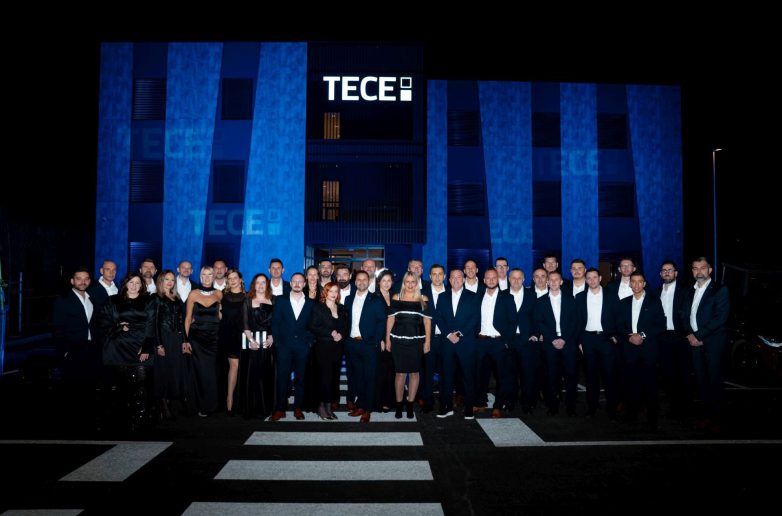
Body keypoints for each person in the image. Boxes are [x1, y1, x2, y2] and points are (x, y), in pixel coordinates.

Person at [96, 272, 154, 431]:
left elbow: (152, 323)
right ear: (125, 283)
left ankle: (140, 421)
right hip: (118, 348)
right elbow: (103, 322)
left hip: (141, 346)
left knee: (141, 384)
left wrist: (147, 346)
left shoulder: (149, 300)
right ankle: (123, 420)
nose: (134, 286)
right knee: (122, 386)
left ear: (142, 285)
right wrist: (118, 327)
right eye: (131, 282)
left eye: (137, 283)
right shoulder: (113, 300)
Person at [680, 257, 729, 430]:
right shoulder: (689, 291)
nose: (699, 271)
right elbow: (683, 315)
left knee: (714, 380)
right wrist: (689, 334)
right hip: (694, 342)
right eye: (695, 268)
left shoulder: (720, 290)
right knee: (701, 380)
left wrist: (699, 335)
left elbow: (720, 318)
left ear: (710, 270)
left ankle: (717, 419)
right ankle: (706, 415)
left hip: (712, 343)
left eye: (702, 267)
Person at [617, 271, 666, 429]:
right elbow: (619, 326)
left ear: (644, 284)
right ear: (630, 284)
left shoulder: (654, 301)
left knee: (650, 386)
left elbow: (660, 324)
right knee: (631, 385)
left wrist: (642, 335)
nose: (636, 284)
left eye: (640, 281)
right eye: (633, 281)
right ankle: (631, 416)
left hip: (648, 350)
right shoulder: (623, 303)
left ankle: (652, 420)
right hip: (629, 350)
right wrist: (629, 337)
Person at [433, 269, 479, 419]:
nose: (456, 279)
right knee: (446, 377)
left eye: (459, 277)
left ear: (463, 279)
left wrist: (459, 334)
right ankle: (445, 407)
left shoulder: (473, 296)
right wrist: (448, 334)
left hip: (466, 343)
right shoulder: (442, 296)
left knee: (468, 377)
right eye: (453, 277)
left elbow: (475, 318)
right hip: (447, 343)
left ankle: (469, 409)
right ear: (449, 280)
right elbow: (438, 317)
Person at [575, 268, 620, 419]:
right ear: (586, 280)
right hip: (588, 340)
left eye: (595, 277)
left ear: (600, 278)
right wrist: (579, 341)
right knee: (591, 376)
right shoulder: (580, 297)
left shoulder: (611, 295)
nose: (592, 280)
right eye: (589, 278)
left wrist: (615, 336)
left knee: (610, 376)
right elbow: (577, 321)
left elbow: (618, 317)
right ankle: (592, 407)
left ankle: (612, 409)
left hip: (606, 339)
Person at [534, 270, 581, 416]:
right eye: (551, 280)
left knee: (571, 376)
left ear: (561, 282)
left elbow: (575, 322)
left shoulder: (570, 300)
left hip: (568, 342)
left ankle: (570, 406)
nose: (554, 282)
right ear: (547, 282)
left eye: (557, 280)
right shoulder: (540, 301)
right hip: (550, 343)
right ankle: (552, 406)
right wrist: (553, 339)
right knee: (551, 376)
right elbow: (540, 322)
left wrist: (564, 339)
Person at [386, 271, 432, 419]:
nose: (410, 285)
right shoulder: (396, 297)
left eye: (413, 282)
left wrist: (427, 342)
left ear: (417, 283)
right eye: (408, 282)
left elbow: (427, 322)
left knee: (414, 373)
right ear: (403, 283)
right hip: (398, 341)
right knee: (400, 374)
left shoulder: (423, 299)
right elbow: (390, 319)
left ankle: (410, 405)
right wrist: (387, 339)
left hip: (416, 342)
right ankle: (399, 405)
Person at [52, 267, 96, 417]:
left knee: (88, 386)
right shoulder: (63, 301)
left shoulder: (91, 299)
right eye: (79, 278)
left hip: (90, 349)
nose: (83, 282)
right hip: (72, 350)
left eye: (86, 278)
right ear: (72, 281)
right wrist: (64, 351)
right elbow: (57, 329)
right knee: (72, 388)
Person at [344, 270, 386, 422]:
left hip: (368, 344)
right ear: (355, 282)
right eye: (359, 280)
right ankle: (360, 406)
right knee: (358, 377)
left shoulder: (376, 299)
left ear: (369, 282)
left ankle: (368, 409)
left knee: (369, 377)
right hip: (352, 344)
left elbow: (382, 321)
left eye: (364, 280)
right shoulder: (348, 299)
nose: (361, 282)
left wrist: (375, 340)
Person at [271, 273, 314, 421]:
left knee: (300, 379)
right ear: (290, 283)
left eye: (300, 281)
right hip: (284, 347)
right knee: (282, 378)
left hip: (302, 347)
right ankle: (280, 408)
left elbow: (313, 325)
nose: (297, 284)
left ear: (304, 284)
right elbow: (275, 323)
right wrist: (278, 343)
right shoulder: (281, 300)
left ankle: (298, 408)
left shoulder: (310, 303)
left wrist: (309, 343)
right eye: (294, 281)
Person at [652, 260, 691, 419]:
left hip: (681, 337)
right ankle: (673, 408)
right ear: (660, 274)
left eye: (670, 270)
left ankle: (685, 409)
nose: (667, 272)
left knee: (684, 375)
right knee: (668, 374)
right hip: (662, 338)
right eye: (664, 270)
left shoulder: (685, 291)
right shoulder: (655, 292)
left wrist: (689, 333)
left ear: (676, 273)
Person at [184, 266, 223, 417]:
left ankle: (211, 405)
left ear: (213, 277)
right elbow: (188, 319)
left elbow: (221, 315)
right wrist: (186, 340)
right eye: (204, 275)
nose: (207, 277)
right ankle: (200, 405)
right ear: (200, 277)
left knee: (211, 372)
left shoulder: (219, 294)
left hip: (214, 338)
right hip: (197, 339)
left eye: (210, 275)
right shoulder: (193, 294)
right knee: (200, 371)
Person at [307, 282, 349, 420]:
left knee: (334, 378)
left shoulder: (342, 308)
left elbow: (346, 326)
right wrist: (330, 332)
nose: (333, 294)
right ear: (325, 292)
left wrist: (341, 334)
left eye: (336, 291)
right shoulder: (318, 308)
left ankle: (329, 407)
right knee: (324, 378)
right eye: (331, 291)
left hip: (337, 348)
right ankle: (321, 407)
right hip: (323, 348)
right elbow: (313, 326)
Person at [148, 269, 186, 420]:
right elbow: (154, 323)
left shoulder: (176, 298)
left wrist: (184, 340)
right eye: (167, 279)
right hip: (163, 338)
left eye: (172, 280)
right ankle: (163, 404)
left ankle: (170, 401)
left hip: (176, 339)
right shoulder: (155, 298)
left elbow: (181, 321)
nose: (170, 282)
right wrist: (159, 344)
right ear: (161, 281)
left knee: (174, 371)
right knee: (162, 371)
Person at [502, 267, 539, 414]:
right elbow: (499, 318)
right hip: (509, 341)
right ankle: (510, 402)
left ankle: (527, 403)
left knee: (527, 375)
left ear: (523, 280)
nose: (516, 280)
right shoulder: (502, 295)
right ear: (509, 279)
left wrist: (535, 334)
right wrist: (504, 338)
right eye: (513, 278)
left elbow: (536, 317)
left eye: (519, 278)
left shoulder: (532, 295)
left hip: (526, 341)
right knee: (509, 375)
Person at [240, 273, 275, 419]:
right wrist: (251, 340)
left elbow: (277, 322)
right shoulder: (247, 300)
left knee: (267, 375)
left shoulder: (273, 300)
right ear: (254, 285)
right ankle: (252, 409)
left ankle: (266, 408)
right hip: (252, 343)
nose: (260, 285)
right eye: (258, 282)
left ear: (267, 285)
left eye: (263, 282)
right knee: (252, 375)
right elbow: (245, 323)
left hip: (268, 343)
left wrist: (273, 336)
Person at [219, 269, 247, 415]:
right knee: (233, 366)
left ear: (240, 279)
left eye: (235, 277)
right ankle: (229, 398)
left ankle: (239, 399)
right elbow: (218, 316)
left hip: (243, 335)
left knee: (241, 368)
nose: (233, 280)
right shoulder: (222, 296)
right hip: (227, 335)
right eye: (229, 278)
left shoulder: (248, 296)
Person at [374, 269, 396, 412]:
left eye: (389, 281)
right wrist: (380, 339)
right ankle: (380, 400)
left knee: (392, 370)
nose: (386, 283)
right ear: (379, 282)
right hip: (381, 339)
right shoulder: (374, 297)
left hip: (395, 338)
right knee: (381, 371)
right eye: (384, 281)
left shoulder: (395, 296)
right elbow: (374, 321)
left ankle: (390, 400)